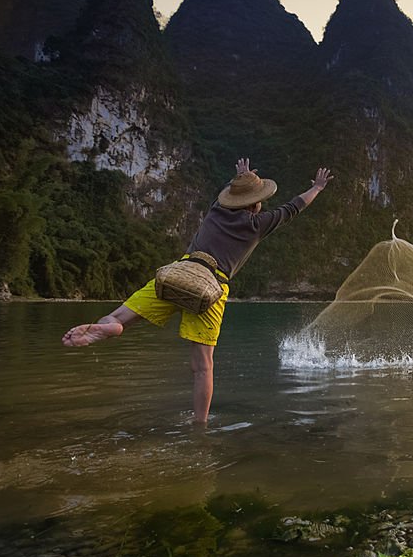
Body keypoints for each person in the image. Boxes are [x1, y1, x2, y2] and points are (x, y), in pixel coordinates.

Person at [61, 158, 333, 424]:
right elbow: (294, 207)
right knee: (203, 367)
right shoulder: (256, 225)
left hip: (178, 272)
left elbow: (233, 195)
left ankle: (108, 328)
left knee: (118, 318)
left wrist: (240, 178)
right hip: (210, 288)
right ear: (256, 204)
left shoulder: (216, 210)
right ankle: (199, 424)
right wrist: (318, 188)